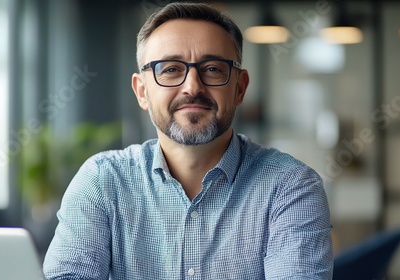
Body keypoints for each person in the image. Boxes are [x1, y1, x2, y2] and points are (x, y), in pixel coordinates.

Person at [43, 2, 333, 279]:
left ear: (239, 89)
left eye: (213, 69)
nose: (192, 86)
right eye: (170, 69)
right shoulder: (103, 181)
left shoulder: (290, 186)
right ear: (142, 92)